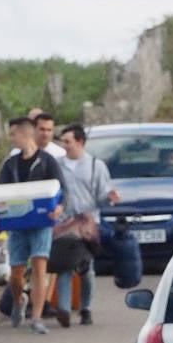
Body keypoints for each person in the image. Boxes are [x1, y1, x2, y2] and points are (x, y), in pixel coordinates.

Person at [0, 116, 68, 335]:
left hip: (41, 224)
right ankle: (18, 300)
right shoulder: (10, 164)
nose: (12, 138)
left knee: (40, 270)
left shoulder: (47, 161)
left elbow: (62, 190)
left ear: (24, 134)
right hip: (17, 225)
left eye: (14, 133)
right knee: (16, 274)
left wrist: (60, 208)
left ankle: (36, 319)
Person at [55, 124, 120, 326]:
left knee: (86, 268)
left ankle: (86, 307)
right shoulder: (56, 165)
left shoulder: (96, 166)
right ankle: (64, 309)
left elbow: (102, 194)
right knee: (64, 265)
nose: (64, 146)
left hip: (88, 224)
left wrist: (110, 198)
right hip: (64, 224)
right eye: (63, 142)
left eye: (68, 142)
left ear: (80, 142)